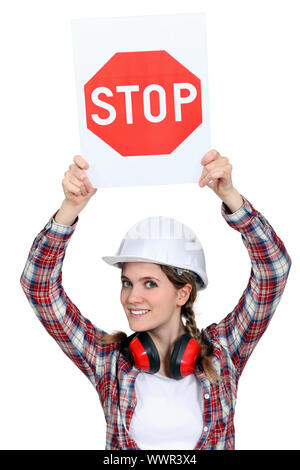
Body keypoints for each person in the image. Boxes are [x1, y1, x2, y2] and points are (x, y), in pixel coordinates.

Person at [20, 149, 291, 450]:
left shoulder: (224, 351)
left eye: (150, 283)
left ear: (182, 293)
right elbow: (39, 288)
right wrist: (70, 208)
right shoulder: (109, 361)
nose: (132, 297)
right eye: (127, 282)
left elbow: (274, 271)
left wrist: (230, 196)